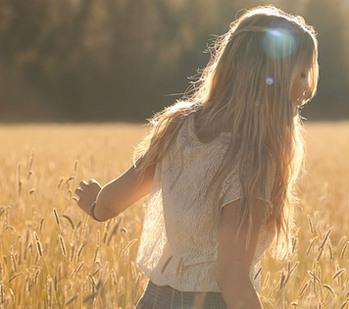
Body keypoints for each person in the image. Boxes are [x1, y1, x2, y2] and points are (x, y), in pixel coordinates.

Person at [74, 4, 318, 308]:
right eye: (303, 74)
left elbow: (113, 201)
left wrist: (96, 204)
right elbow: (231, 276)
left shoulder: (177, 127)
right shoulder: (252, 160)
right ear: (272, 79)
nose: (307, 89)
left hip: (154, 299)